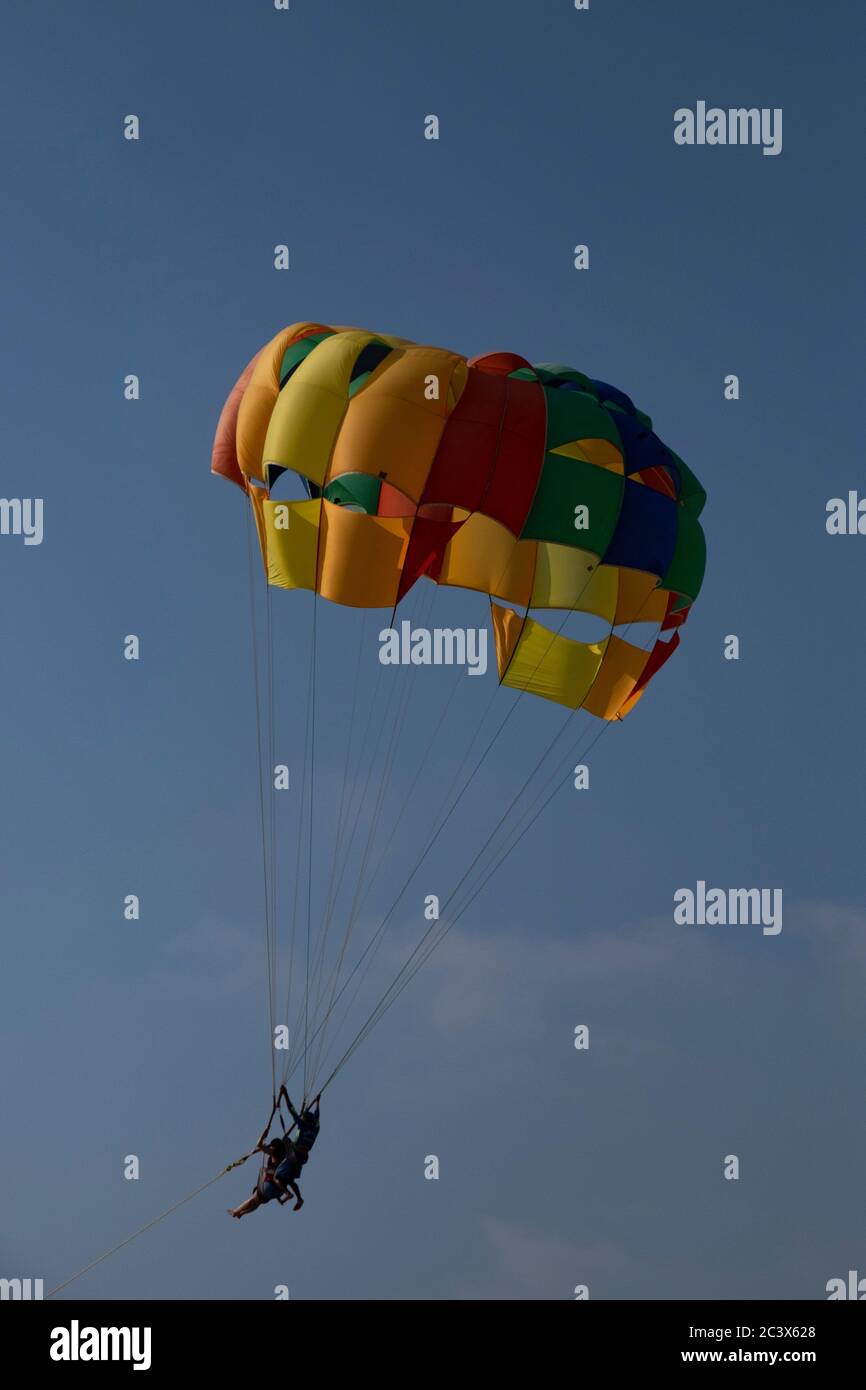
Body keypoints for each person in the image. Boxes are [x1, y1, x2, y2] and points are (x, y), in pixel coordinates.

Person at [228, 1117, 303, 1219]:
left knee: (254, 1198)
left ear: (275, 1147)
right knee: (257, 1202)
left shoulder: (274, 1153)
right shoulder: (285, 1155)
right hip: (277, 1191)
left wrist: (264, 1133)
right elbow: (286, 1143)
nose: (270, 1147)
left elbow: (258, 1145)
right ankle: (241, 1213)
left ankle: (236, 1211)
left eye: (272, 1146)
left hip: (269, 1185)